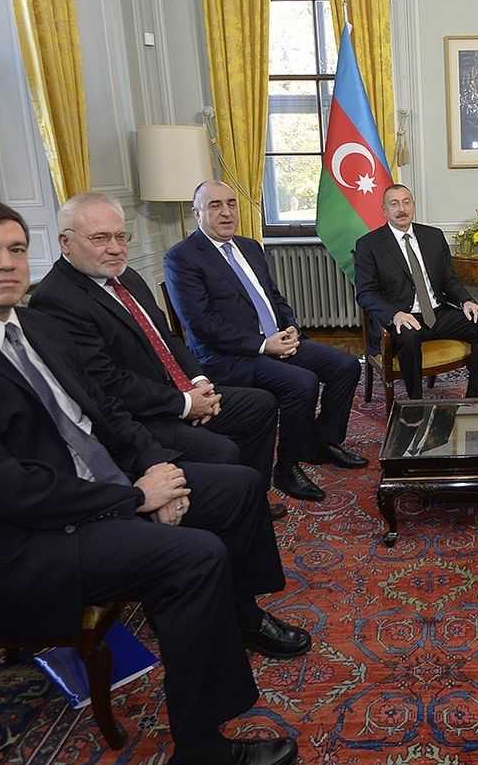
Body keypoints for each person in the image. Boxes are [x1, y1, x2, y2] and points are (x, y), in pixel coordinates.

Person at [0, 197, 310, 765]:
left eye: (14, 249)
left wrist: (160, 470)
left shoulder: (31, 325)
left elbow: (106, 414)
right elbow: (6, 491)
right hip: (12, 547)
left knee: (235, 487)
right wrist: (136, 497)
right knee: (194, 557)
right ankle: (201, 758)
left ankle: (238, 617)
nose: (6, 265)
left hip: (91, 491)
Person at [30, 192, 287, 519]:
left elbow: (168, 338)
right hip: (139, 414)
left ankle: (254, 499)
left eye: (121, 237)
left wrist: (199, 381)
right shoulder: (56, 299)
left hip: (177, 390)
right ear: (66, 243)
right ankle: (228, 508)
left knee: (261, 405)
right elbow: (108, 384)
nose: (115, 247)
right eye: (100, 238)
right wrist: (185, 404)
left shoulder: (125, 275)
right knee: (224, 451)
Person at [164, 180, 366, 503]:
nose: (227, 212)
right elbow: (201, 326)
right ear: (196, 212)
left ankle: (323, 442)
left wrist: (290, 327)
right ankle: (286, 466)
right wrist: (262, 344)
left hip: (275, 341)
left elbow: (272, 296)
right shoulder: (182, 258)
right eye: (215, 206)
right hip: (228, 356)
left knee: (345, 366)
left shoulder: (249, 247)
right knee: (302, 383)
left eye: (231, 203)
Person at [354, 183, 478, 398]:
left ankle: (474, 393)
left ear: (413, 205)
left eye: (406, 202)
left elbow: (450, 280)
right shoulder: (369, 244)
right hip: (402, 317)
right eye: (394, 204)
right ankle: (415, 401)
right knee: (409, 336)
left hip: (436, 313)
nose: (401, 209)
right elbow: (365, 293)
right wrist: (394, 315)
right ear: (384, 210)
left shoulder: (433, 236)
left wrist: (466, 301)